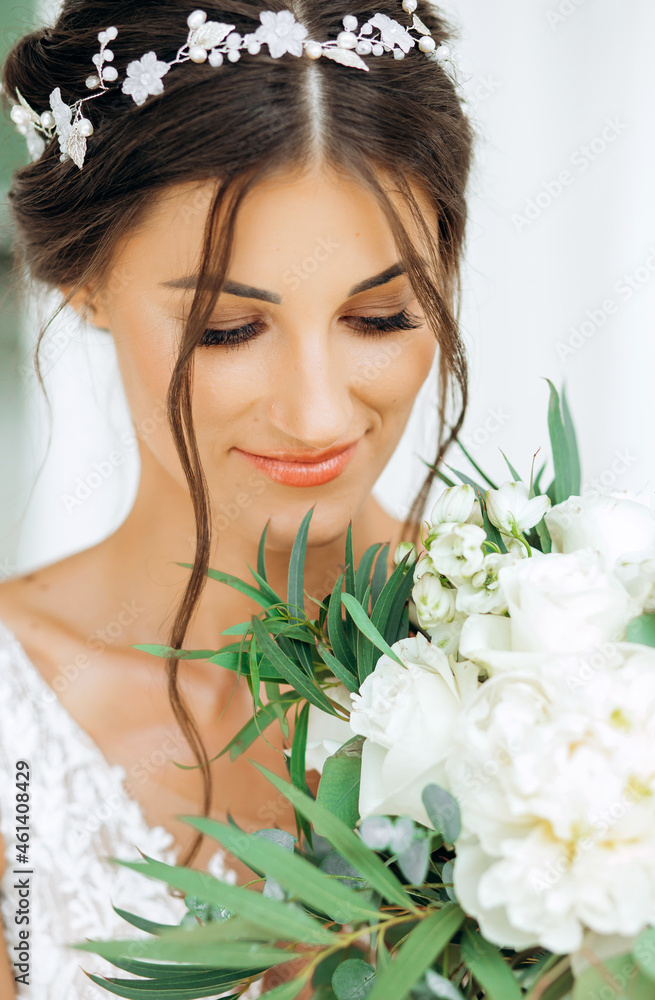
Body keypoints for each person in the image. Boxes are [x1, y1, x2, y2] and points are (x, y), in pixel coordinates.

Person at [0, 0, 473, 996]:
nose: (313, 414)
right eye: (226, 328)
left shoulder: (589, 679)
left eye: (380, 316)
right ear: (84, 282)